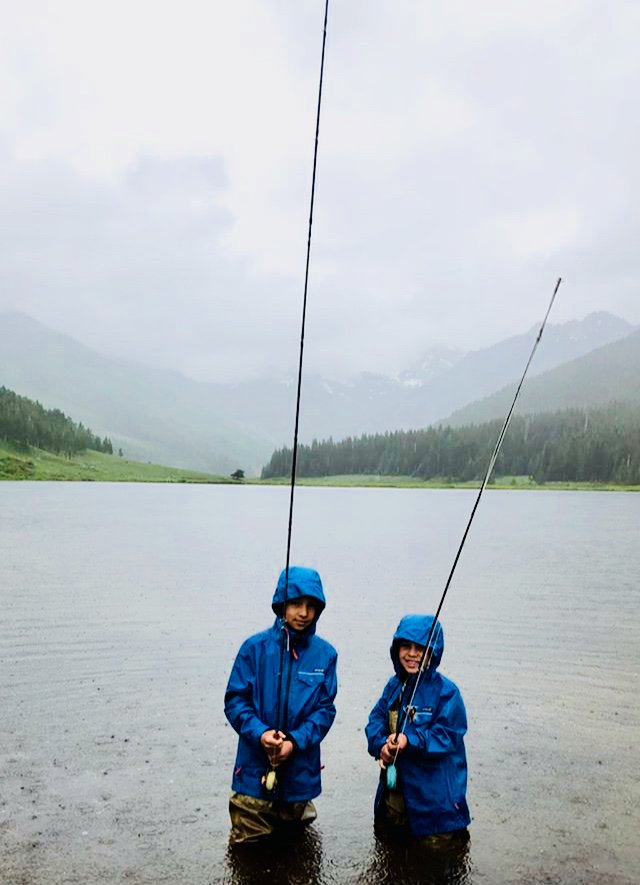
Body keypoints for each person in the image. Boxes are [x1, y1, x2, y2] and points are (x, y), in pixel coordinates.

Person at [224, 566, 338, 844]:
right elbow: (235, 700)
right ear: (281, 605)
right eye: (296, 603)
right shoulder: (253, 648)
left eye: (311, 606)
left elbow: (325, 710)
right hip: (253, 776)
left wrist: (294, 742)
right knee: (248, 857)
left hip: (301, 779)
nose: (303, 613)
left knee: (298, 854)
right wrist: (261, 734)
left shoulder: (326, 654)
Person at [365, 614, 471, 846]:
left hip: (437, 805)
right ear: (397, 649)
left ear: (432, 651)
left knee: (437, 862)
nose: (412, 654)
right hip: (397, 799)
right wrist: (381, 745)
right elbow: (375, 721)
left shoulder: (447, 692)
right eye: (406, 646)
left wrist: (409, 740)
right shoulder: (394, 686)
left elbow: (447, 736)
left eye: (420, 648)